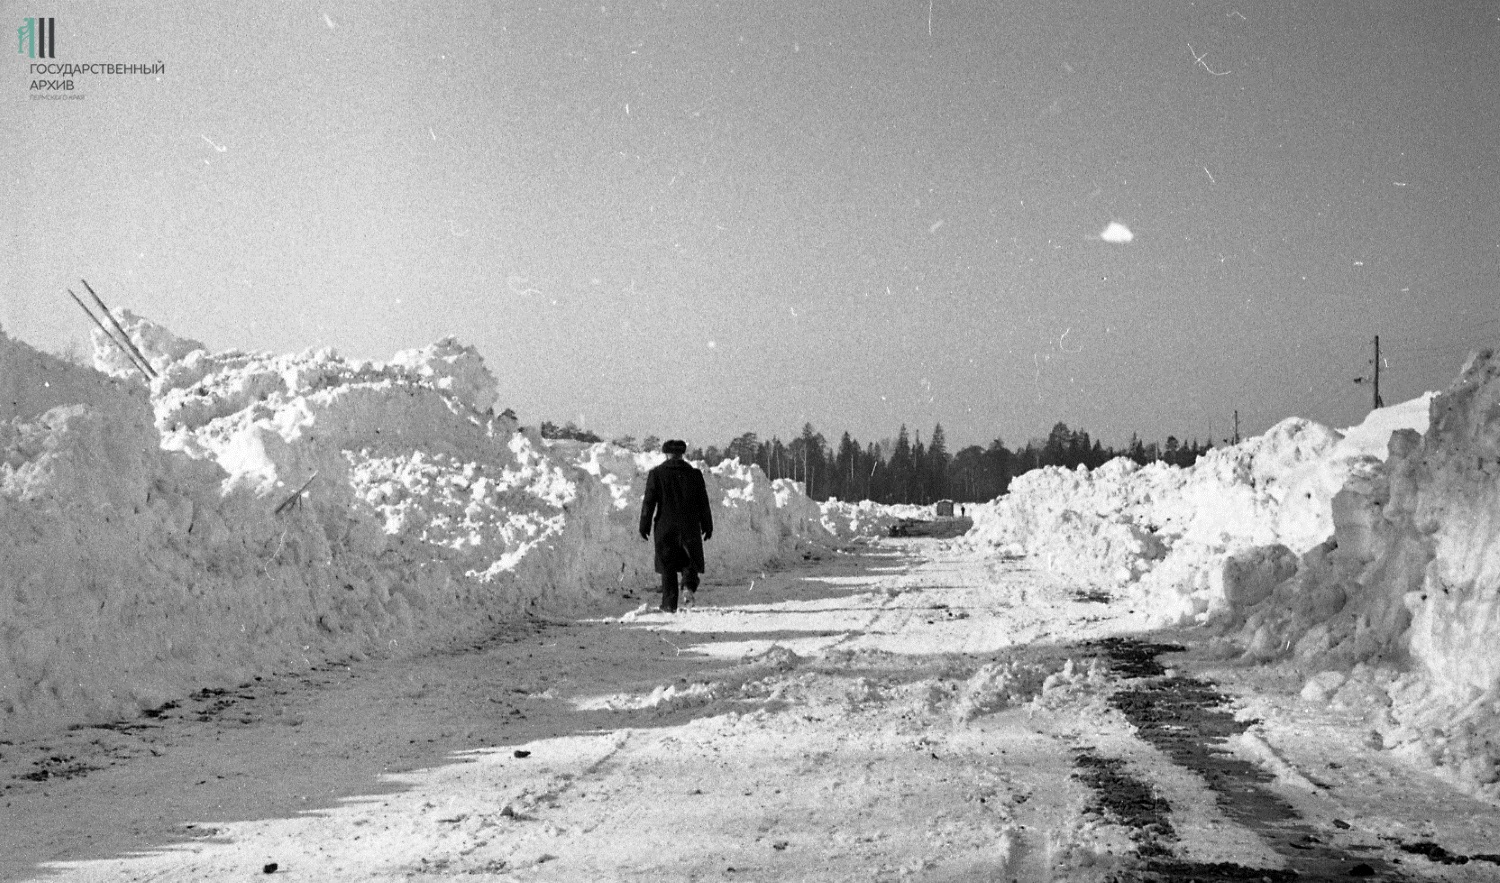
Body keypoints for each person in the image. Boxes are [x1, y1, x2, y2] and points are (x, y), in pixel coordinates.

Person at [638, 439, 713, 612]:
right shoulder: (694, 474)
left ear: (666, 454)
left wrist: (644, 525)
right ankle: (688, 587)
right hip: (690, 526)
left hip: (665, 526)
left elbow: (649, 503)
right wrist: (708, 526)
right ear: (682, 454)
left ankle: (669, 604)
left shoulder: (657, 474)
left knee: (668, 566)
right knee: (689, 561)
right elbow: (703, 503)